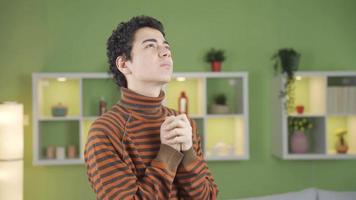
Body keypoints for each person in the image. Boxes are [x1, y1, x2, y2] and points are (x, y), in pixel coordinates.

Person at [84, 15, 218, 200]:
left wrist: (187, 152)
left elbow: (207, 197)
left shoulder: (184, 124)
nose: (165, 52)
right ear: (124, 64)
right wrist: (169, 153)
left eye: (166, 46)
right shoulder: (105, 131)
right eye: (150, 45)